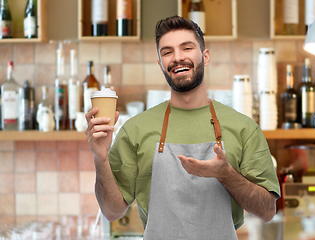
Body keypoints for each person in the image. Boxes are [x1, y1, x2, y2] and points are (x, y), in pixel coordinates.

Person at [85, 15, 280, 240]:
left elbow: (267, 211)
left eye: (187, 48)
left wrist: (226, 174)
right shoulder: (135, 130)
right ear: (161, 64)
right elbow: (112, 212)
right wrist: (100, 158)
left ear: (205, 56)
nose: (178, 57)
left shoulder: (244, 128)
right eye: (167, 52)